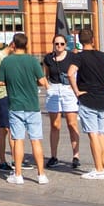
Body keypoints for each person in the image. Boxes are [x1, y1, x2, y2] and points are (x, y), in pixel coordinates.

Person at [0, 33, 48, 184]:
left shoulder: (6, 62)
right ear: (26, 45)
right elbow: (42, 81)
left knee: (18, 140)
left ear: (13, 44)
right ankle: (41, 175)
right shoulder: (32, 61)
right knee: (35, 140)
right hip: (32, 105)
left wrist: (10, 83)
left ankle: (18, 175)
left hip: (16, 105)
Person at [70, 29, 104, 180]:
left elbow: (70, 73)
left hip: (87, 99)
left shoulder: (79, 57)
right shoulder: (103, 56)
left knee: (93, 135)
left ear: (80, 40)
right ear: (93, 39)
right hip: (101, 99)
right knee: (100, 134)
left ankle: (98, 169)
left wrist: (77, 91)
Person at [42, 34, 81, 169]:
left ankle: (76, 155)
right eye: (57, 44)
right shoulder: (48, 58)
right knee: (55, 124)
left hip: (68, 90)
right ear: (53, 44)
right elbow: (44, 75)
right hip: (54, 89)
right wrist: (48, 87)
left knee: (72, 123)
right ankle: (54, 156)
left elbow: (78, 72)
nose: (59, 46)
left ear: (66, 45)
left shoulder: (72, 57)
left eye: (62, 44)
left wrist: (75, 86)